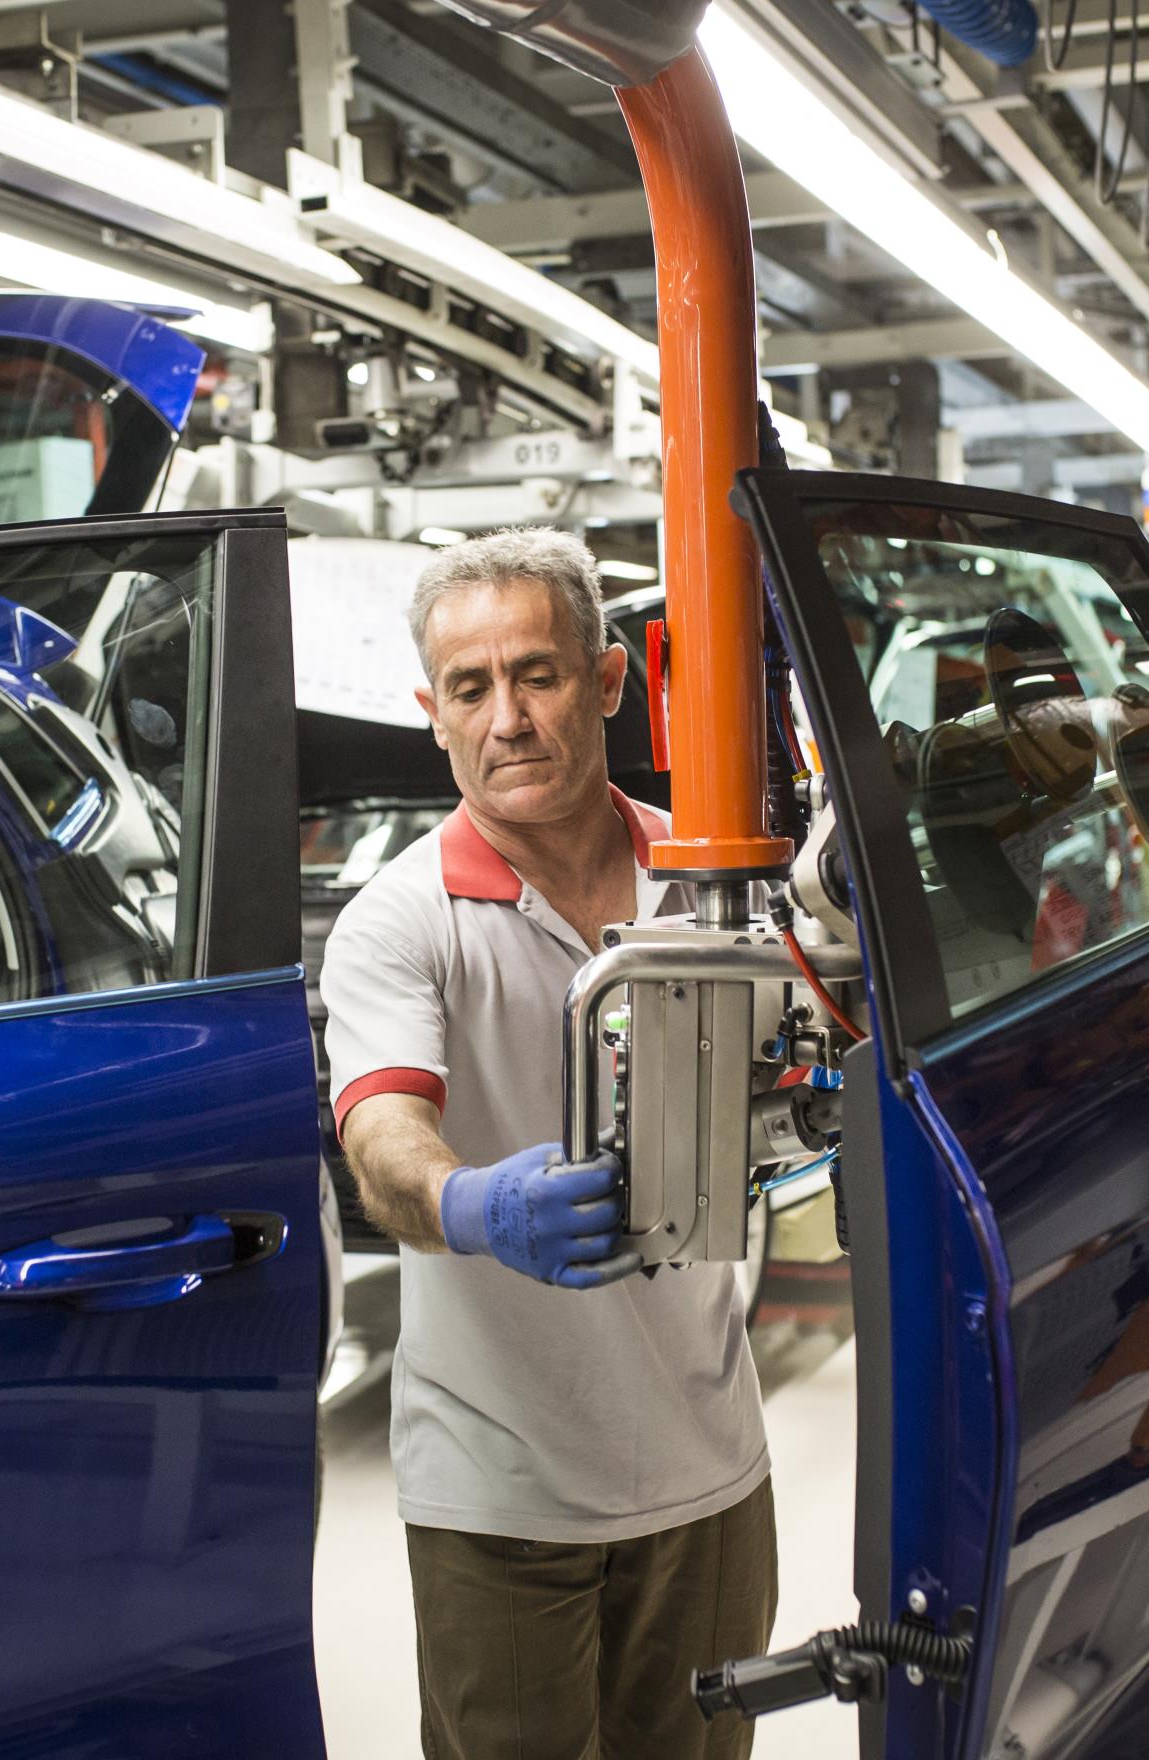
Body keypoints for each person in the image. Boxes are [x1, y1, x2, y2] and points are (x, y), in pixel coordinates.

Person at [321, 528, 776, 1760]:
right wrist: (467, 1202)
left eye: (540, 674)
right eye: (471, 688)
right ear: (433, 711)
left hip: (708, 1468)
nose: (508, 717)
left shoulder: (714, 882)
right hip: (501, 1486)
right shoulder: (399, 920)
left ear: (610, 679)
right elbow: (381, 1129)